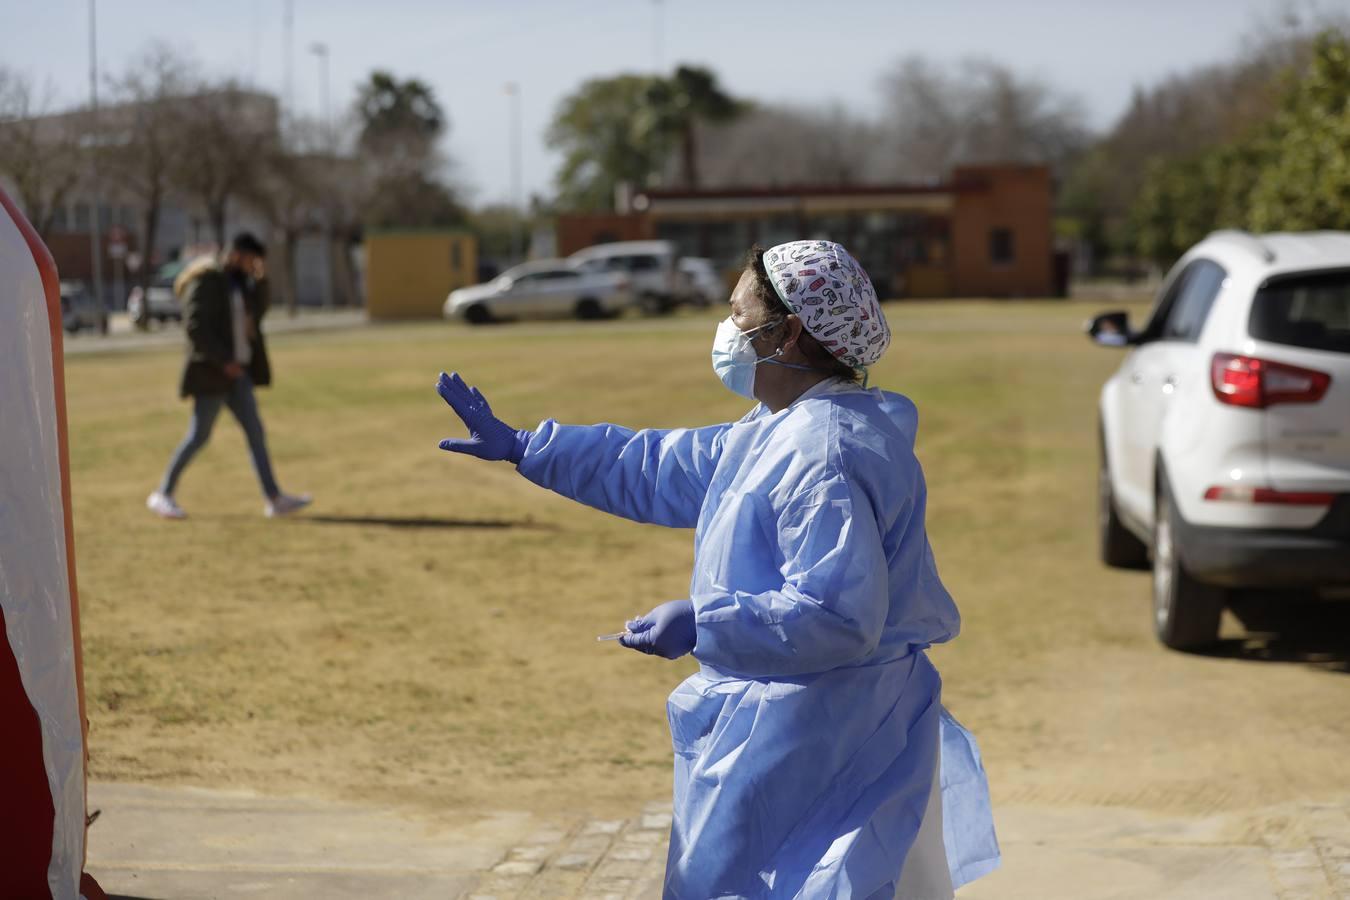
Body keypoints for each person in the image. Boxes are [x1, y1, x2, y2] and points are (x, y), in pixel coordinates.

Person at [435, 241, 999, 898]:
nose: (728, 332)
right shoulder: (780, 429)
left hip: (824, 738)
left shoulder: (823, 455)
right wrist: (532, 448)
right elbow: (660, 467)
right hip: (801, 726)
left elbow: (837, 617)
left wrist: (706, 623)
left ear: (787, 332)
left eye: (738, 314)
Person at [146, 233, 311, 520]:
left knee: (256, 434)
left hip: (238, 374)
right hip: (213, 374)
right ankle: (163, 493)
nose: (254, 265)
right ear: (237, 254)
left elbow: (257, 315)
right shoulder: (207, 279)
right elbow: (196, 327)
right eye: (252, 260)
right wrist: (223, 361)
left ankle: (274, 498)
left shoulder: (240, 283)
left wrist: (261, 281)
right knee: (199, 436)